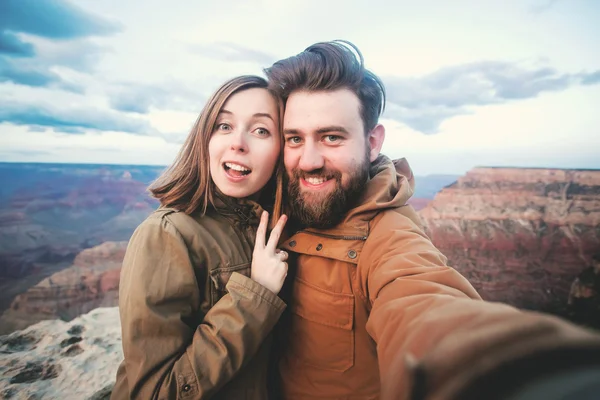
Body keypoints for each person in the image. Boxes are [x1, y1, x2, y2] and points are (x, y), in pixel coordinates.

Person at [264, 41, 600, 400]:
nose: (309, 160)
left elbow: (423, 303)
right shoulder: (276, 206)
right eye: (295, 138)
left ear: (372, 142)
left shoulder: (389, 236)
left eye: (332, 137)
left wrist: (522, 376)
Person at [111, 75, 290, 400]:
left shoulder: (270, 225)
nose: (238, 142)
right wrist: (256, 295)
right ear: (204, 137)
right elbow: (155, 393)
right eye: (224, 125)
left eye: (261, 130)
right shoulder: (166, 234)